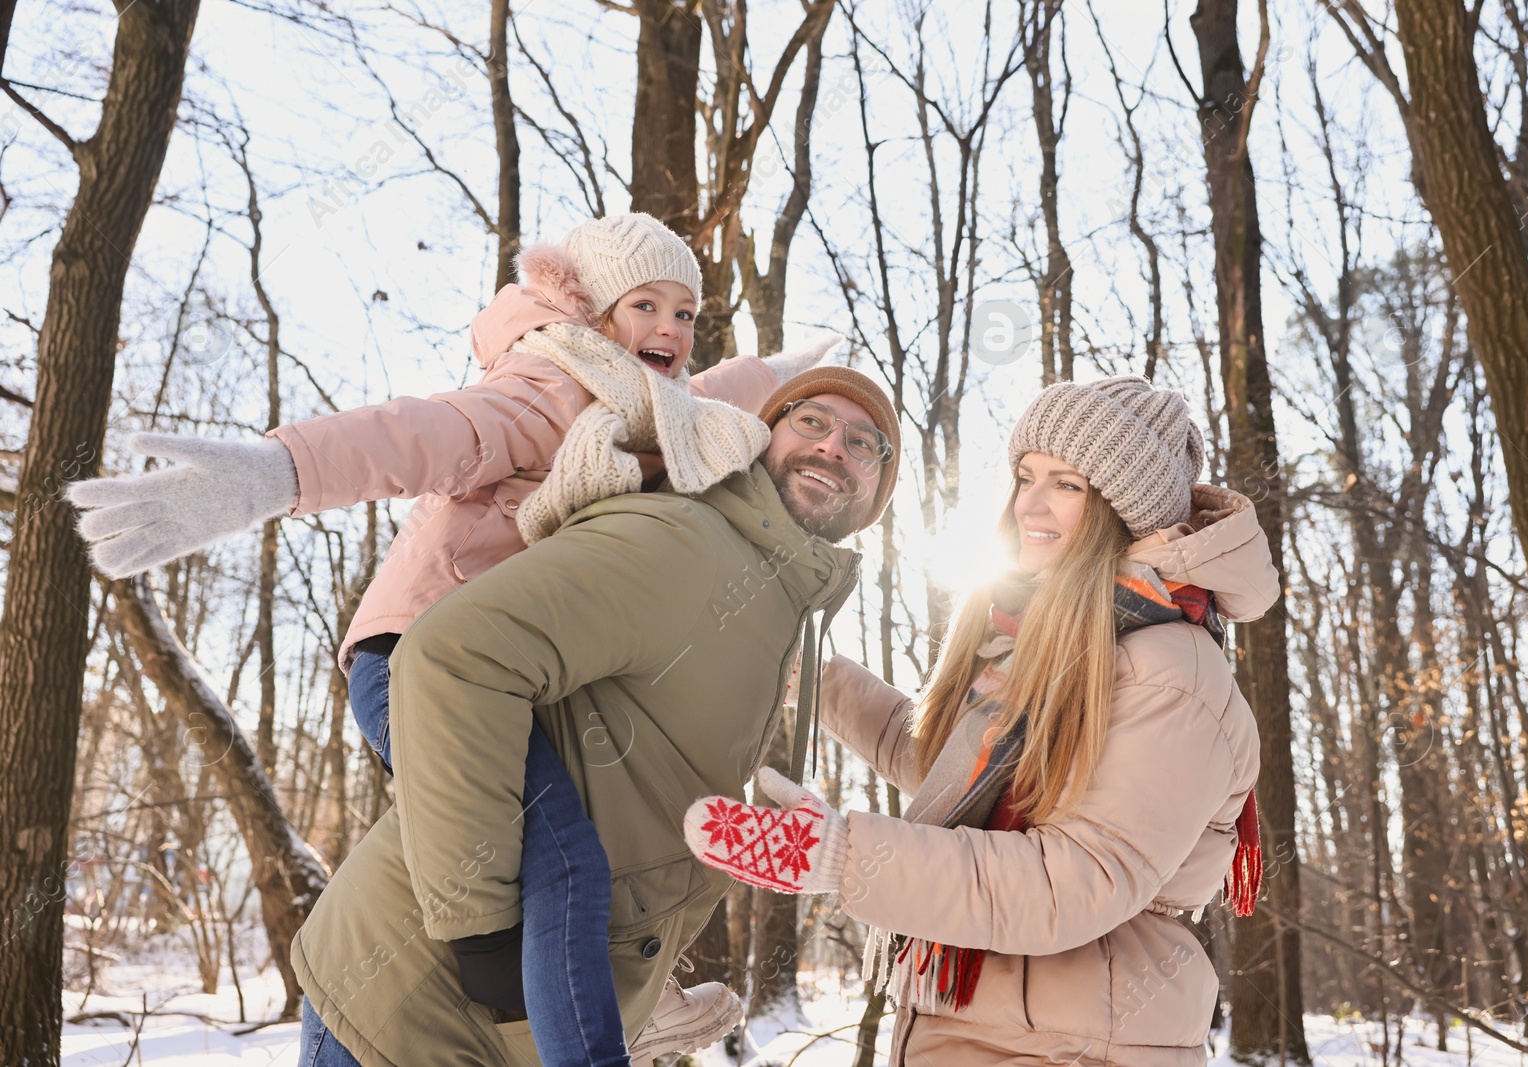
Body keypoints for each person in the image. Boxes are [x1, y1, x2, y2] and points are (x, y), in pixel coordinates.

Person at [66, 212, 838, 1062]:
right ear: (593, 312)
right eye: (646, 304)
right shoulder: (548, 388)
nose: (669, 328)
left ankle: (590, 1003)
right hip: (414, 656)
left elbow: (715, 394)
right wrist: (273, 474)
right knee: (565, 857)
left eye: (686, 313)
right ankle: (579, 1035)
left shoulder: (658, 410)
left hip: (509, 673)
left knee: (563, 835)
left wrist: (788, 378)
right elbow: (418, 435)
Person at [289, 365, 901, 1066]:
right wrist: (483, 931)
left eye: (865, 443)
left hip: (508, 1032)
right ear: (763, 437)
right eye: (812, 421)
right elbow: (449, 658)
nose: (832, 446)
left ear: (879, 491)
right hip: (414, 1006)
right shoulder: (686, 541)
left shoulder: (770, 605)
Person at [686, 376, 1281, 1066]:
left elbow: (1069, 882)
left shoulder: (1170, 670)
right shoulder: (1061, 634)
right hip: (991, 1023)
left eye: (1067, 484)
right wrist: (816, 678)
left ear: (1124, 508)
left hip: (1075, 1043)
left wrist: (842, 856)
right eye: (1026, 475)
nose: (1029, 501)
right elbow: (952, 770)